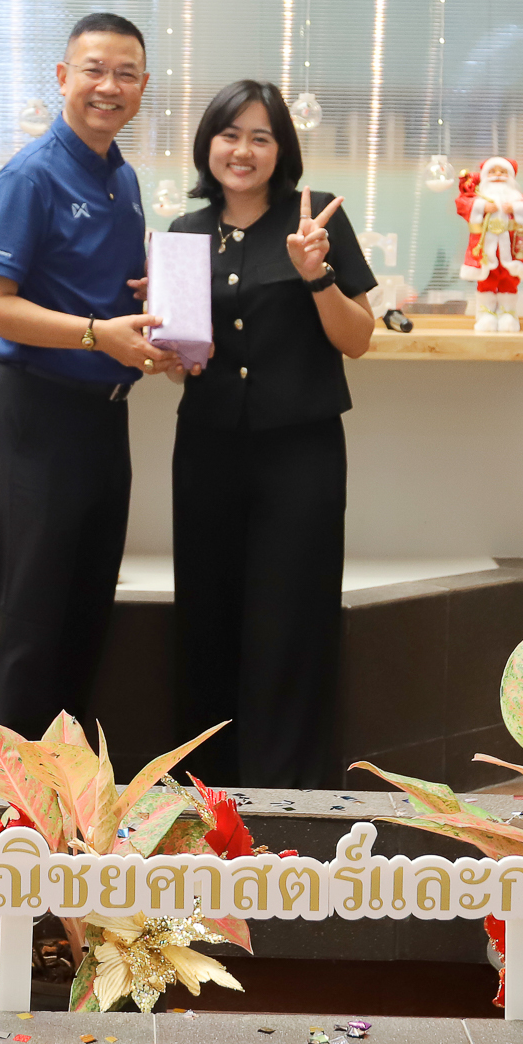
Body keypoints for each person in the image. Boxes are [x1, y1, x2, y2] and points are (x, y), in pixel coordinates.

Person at [0, 13, 174, 737]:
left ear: (143, 87)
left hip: (103, 415)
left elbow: (99, 290)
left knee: (85, 612)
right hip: (37, 412)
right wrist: (95, 334)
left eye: (125, 74)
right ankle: (9, 798)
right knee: (32, 617)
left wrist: (153, 306)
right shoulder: (30, 176)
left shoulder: (123, 178)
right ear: (63, 77)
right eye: (94, 69)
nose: (108, 86)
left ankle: (65, 794)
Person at [166, 81, 377, 787]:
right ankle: (207, 793)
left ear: (281, 149)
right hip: (207, 450)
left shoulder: (315, 219)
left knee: (293, 619)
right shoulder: (185, 232)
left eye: (261, 137)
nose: (243, 150)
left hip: (300, 455)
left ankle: (288, 793)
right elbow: (180, 362)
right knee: (207, 614)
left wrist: (317, 277)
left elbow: (359, 340)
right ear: (208, 144)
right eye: (230, 134)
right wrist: (166, 349)